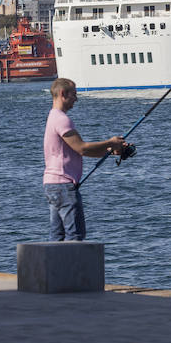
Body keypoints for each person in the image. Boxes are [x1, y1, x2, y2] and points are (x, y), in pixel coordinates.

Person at [44, 77, 125, 241]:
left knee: (57, 237)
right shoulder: (61, 119)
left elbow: (79, 151)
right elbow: (81, 148)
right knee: (75, 236)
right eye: (74, 94)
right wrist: (110, 142)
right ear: (63, 93)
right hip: (63, 186)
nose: (76, 98)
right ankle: (70, 267)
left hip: (53, 184)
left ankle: (53, 267)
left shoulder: (53, 117)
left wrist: (110, 151)